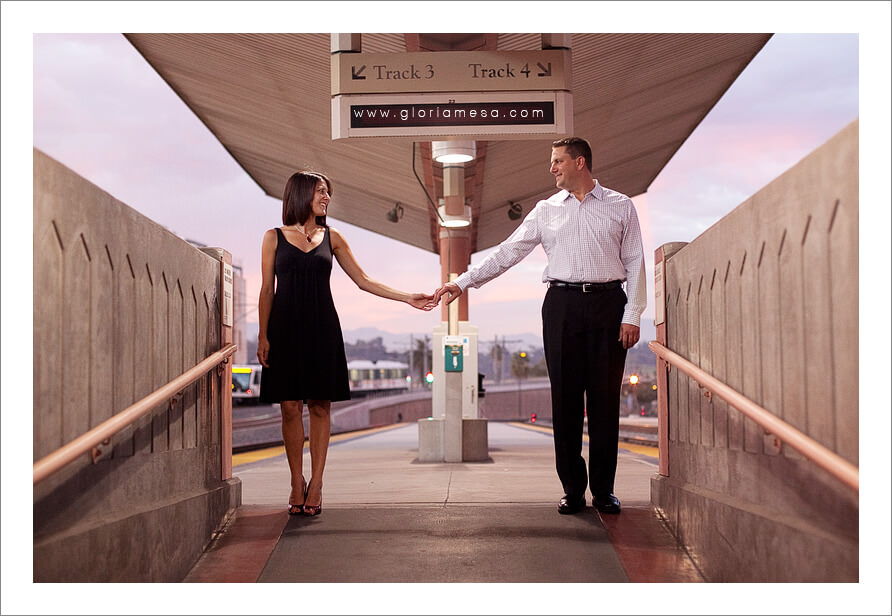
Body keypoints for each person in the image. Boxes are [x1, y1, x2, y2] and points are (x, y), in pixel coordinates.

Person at [433, 137, 646, 515]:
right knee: (564, 401)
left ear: (580, 163)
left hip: (608, 305)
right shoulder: (545, 210)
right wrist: (462, 282)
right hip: (561, 305)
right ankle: (573, 490)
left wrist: (632, 314)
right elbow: (508, 251)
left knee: (604, 401)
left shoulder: (620, 206)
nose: (552, 168)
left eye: (558, 161)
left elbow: (635, 262)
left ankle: (604, 490)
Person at [257, 170, 435, 516]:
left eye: (328, 192)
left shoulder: (332, 237)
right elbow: (267, 290)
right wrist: (263, 335)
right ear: (301, 194)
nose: (326, 198)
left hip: (322, 328)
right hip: (284, 329)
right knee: (290, 407)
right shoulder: (273, 237)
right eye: (321, 192)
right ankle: (297, 480)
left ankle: (318, 482)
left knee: (321, 407)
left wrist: (407, 297)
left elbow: (364, 280)